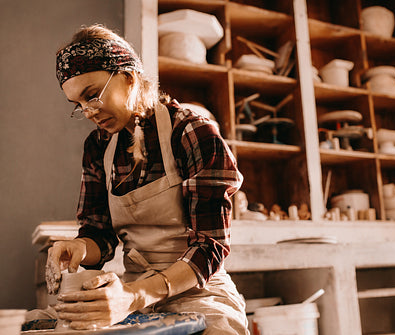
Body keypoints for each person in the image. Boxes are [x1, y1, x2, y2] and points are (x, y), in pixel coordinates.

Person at [46, 24, 248, 334]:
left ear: (127, 77)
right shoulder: (98, 147)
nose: (88, 111)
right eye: (78, 105)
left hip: (199, 292)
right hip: (132, 295)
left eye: (92, 96)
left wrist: (134, 296)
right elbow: (100, 234)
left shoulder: (191, 132)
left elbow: (211, 247)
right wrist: (79, 248)